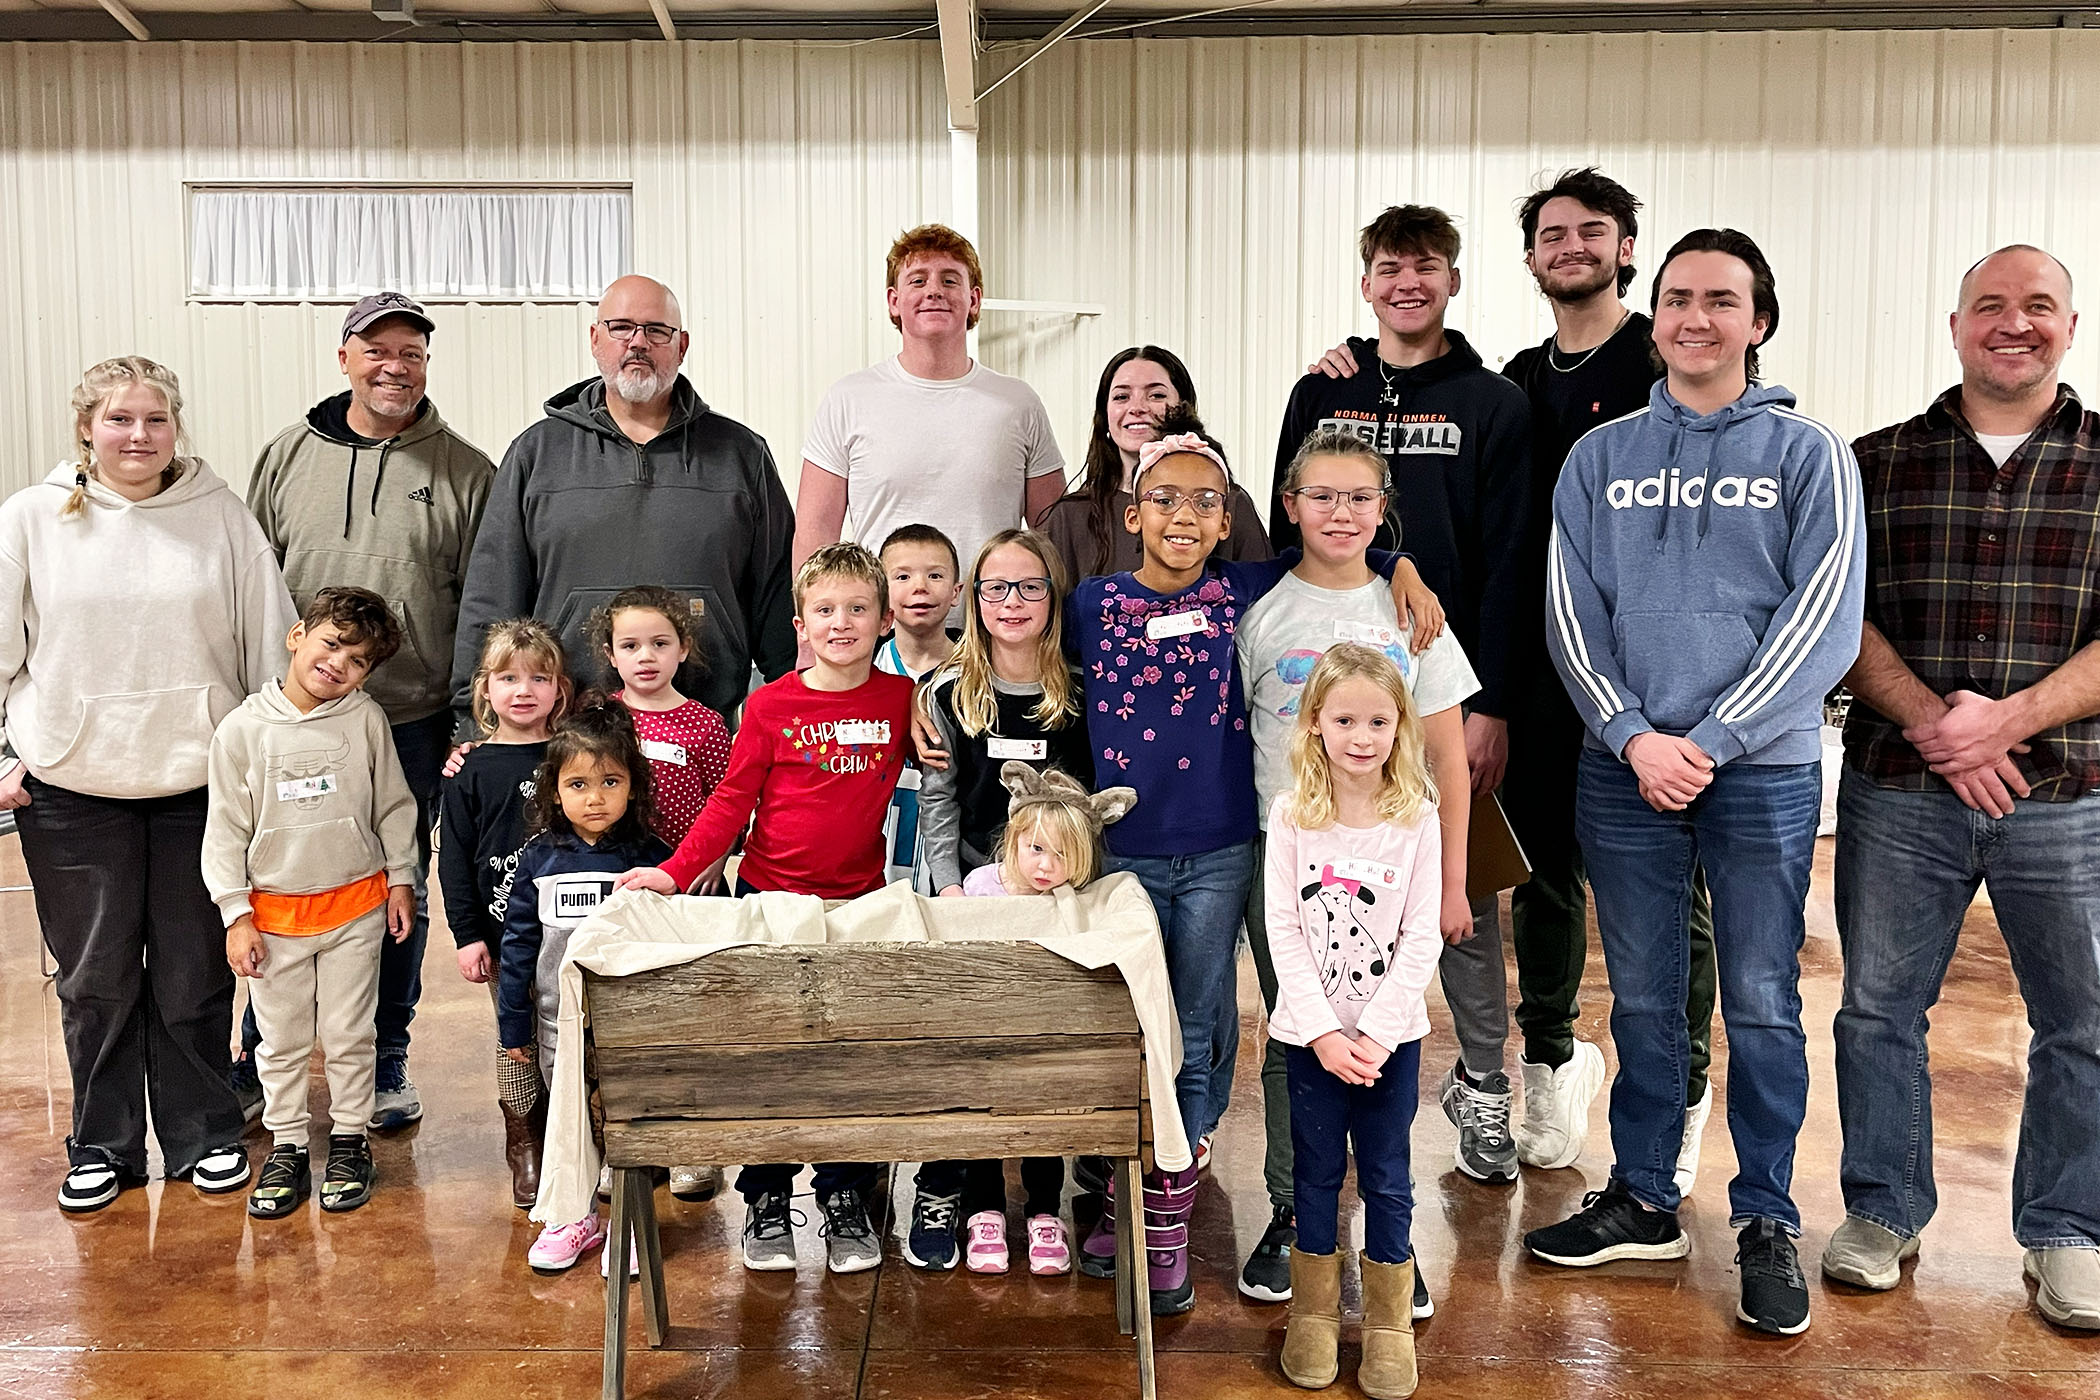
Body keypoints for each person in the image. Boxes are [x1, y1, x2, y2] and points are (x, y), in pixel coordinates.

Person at [1528, 229, 1865, 1338]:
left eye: (1722, 299)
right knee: (1642, 999)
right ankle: (1643, 1195)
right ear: (1654, 313)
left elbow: (1823, 622)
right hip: (1623, 773)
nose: (1695, 318)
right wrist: (1632, 735)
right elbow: (1571, 613)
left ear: (1758, 320)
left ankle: (1766, 1213)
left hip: (1755, 774)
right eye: (1677, 299)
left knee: (1763, 1000)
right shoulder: (1600, 457)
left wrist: (1710, 740)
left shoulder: (1810, 452)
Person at [1062, 422, 1411, 1314]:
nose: (1184, 515)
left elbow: (1342, 566)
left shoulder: (1244, 591)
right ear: (1132, 511)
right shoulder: (1091, 603)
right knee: (1126, 1015)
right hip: (1121, 851)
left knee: (1203, 1011)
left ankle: (1176, 1182)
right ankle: (1118, 1179)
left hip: (1222, 848)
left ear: (1230, 523)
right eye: (1165, 499)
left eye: (1206, 502)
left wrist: (1404, 568)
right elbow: (1023, 662)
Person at [1823, 244, 2100, 1331]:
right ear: (1955, 325)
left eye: (2039, 306)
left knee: (2080, 1021)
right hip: (1901, 792)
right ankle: (1884, 1208)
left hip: (2069, 796)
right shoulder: (1875, 462)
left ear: (2071, 326)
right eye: (1992, 306)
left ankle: (2069, 1229)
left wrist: (2010, 719)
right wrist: (1941, 724)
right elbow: (1836, 620)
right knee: (1879, 1011)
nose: (2013, 324)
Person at [1273, 203, 1536, 1186]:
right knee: (1328, 893)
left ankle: (1483, 1085)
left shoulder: (1494, 403)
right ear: (1368, 280)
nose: (1407, 283)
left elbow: (1512, 560)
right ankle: (1332, 1054)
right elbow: (1282, 531)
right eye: (1389, 266)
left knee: (1456, 895)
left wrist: (1491, 702)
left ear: (1453, 280)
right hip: (1324, 688)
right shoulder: (1322, 391)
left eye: (1425, 266)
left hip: (1439, 690)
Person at [0, 356, 294, 1213]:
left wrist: (262, 769)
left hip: (198, 788)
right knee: (96, 977)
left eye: (154, 420)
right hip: (70, 788)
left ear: (177, 428)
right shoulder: (31, 519)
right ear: (87, 428)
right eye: (120, 420)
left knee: (193, 970)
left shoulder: (222, 520)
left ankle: (204, 1133)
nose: (138, 436)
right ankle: (103, 1143)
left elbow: (268, 650)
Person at [618, 543, 915, 1275]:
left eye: (856, 609)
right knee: (769, 1058)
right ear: (799, 625)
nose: (840, 622)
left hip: (857, 910)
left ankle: (845, 1193)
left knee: (848, 1061)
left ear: (882, 623)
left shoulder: (902, 702)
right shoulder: (772, 703)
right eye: (825, 611)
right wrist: (677, 870)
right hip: (769, 901)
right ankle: (767, 1196)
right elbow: (731, 801)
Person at [1233, 428, 1477, 1310]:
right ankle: (1294, 1220)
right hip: (1291, 862)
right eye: (1322, 496)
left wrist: (1451, 881)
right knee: (1294, 1025)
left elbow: (1449, 758)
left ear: (1384, 512)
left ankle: (1390, 1239)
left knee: (1387, 1031)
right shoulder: (1261, 614)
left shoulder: (1410, 614)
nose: (1342, 513)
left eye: (1360, 498)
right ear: (1290, 506)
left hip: (1396, 863)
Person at [242, 291, 497, 1133]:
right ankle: (258, 1048)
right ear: (345, 356)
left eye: (413, 354)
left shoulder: (465, 470)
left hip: (411, 720)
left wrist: (469, 719)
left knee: (398, 887)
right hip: (296, 719)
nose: (396, 367)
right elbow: (251, 586)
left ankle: (386, 1055)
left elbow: (481, 608)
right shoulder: (285, 457)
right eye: (377, 349)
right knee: (280, 876)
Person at [451, 274, 797, 728]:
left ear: (682, 345)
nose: (639, 342)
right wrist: (473, 720)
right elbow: (492, 595)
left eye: (657, 330)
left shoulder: (740, 455)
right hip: (564, 728)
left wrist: (797, 705)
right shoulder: (538, 454)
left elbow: (778, 592)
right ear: (595, 339)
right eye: (621, 327)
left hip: (703, 730)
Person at [907, 528, 1094, 1274]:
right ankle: (980, 1197)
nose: (1010, 603)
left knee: (1042, 1057)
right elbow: (942, 799)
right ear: (973, 600)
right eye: (994, 589)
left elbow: (1083, 807)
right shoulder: (950, 693)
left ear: (1053, 597)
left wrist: (1064, 885)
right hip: (977, 896)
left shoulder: (1078, 693)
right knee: (976, 1051)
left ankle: (1046, 1204)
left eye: (1028, 588)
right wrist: (952, 887)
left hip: (1054, 898)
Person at [1265, 644, 1443, 1400]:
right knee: (1314, 1175)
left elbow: (1421, 936)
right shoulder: (1291, 814)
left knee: (1388, 1177)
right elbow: (1283, 931)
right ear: (1314, 725)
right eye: (1344, 720)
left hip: (1388, 1045)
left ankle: (1389, 1326)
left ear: (1402, 727)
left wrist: (1374, 1034)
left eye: (1379, 720)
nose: (1362, 737)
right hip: (1311, 1040)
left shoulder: (1418, 819)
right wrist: (1325, 1034)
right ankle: (1311, 1317)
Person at [207, 587, 420, 1220]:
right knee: (281, 1040)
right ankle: (290, 1145)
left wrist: (402, 877)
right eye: (332, 644)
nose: (339, 665)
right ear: (299, 635)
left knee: (351, 1033)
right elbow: (224, 831)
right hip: (275, 920)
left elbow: (393, 804)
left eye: (358, 661)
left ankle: (351, 1139)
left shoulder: (365, 720)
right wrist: (235, 913)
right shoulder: (242, 730)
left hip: (357, 908)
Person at [791, 224, 1066, 596]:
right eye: (918, 281)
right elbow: (815, 534)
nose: (934, 290)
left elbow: (1051, 536)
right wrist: (810, 639)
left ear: (974, 300)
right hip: (883, 633)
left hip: (991, 630)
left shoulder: (1018, 404)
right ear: (893, 301)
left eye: (950, 280)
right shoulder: (848, 399)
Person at [499, 700, 672, 1274]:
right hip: (558, 1026)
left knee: (627, 1119)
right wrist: (512, 1024)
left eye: (610, 781)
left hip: (631, 1027)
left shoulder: (651, 859)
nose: (594, 797)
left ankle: (629, 1217)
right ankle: (573, 1216)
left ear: (632, 786)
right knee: (568, 1117)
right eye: (578, 783)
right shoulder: (538, 861)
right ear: (553, 791)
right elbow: (519, 947)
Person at [952, 762, 1138, 1275]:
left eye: (1062, 856)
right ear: (1014, 837)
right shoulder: (980, 886)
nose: (1046, 867)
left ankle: (1043, 1211)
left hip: (1046, 1044)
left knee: (1046, 1126)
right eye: (1036, 849)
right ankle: (984, 1211)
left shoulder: (1077, 900)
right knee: (982, 1125)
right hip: (986, 1035)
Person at [439, 618, 572, 1210]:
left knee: (572, 1034)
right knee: (514, 1034)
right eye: (508, 678)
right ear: (484, 689)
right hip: (503, 937)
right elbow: (454, 859)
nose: (524, 690)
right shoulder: (469, 769)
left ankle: (580, 1138)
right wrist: (468, 936)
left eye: (539, 678)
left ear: (559, 690)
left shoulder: (573, 755)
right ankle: (526, 1140)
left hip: (572, 931)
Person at [1037, 347, 1273, 580]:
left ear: (1184, 407)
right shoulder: (1069, 516)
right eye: (1121, 397)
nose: (1137, 408)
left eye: (1156, 395)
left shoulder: (1228, 502)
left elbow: (1265, 604)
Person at [875, 524, 964, 888]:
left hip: (953, 854)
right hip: (877, 844)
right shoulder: (864, 670)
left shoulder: (976, 673)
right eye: (903, 576)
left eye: (935, 575)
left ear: (957, 592)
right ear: (882, 592)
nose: (920, 587)